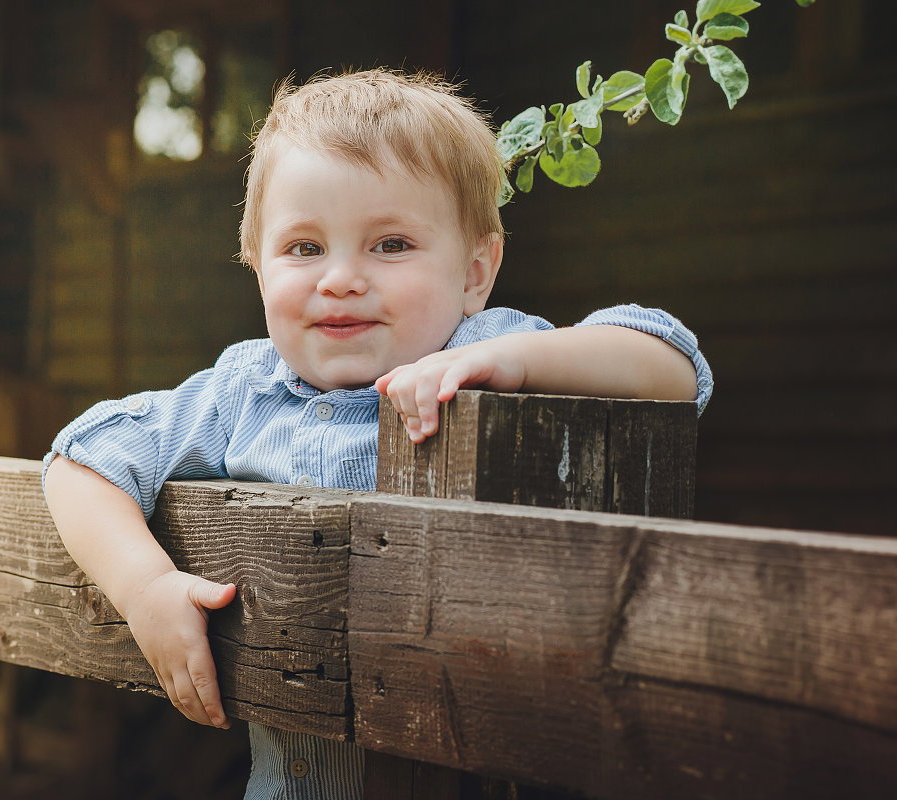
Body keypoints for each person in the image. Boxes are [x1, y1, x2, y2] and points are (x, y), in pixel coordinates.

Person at [43, 68, 713, 799]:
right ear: (257, 268)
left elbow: (675, 366)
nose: (341, 278)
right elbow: (82, 460)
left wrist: (514, 360)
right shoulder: (243, 391)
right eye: (303, 249)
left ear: (475, 273)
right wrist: (145, 588)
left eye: (390, 245)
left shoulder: (482, 348)